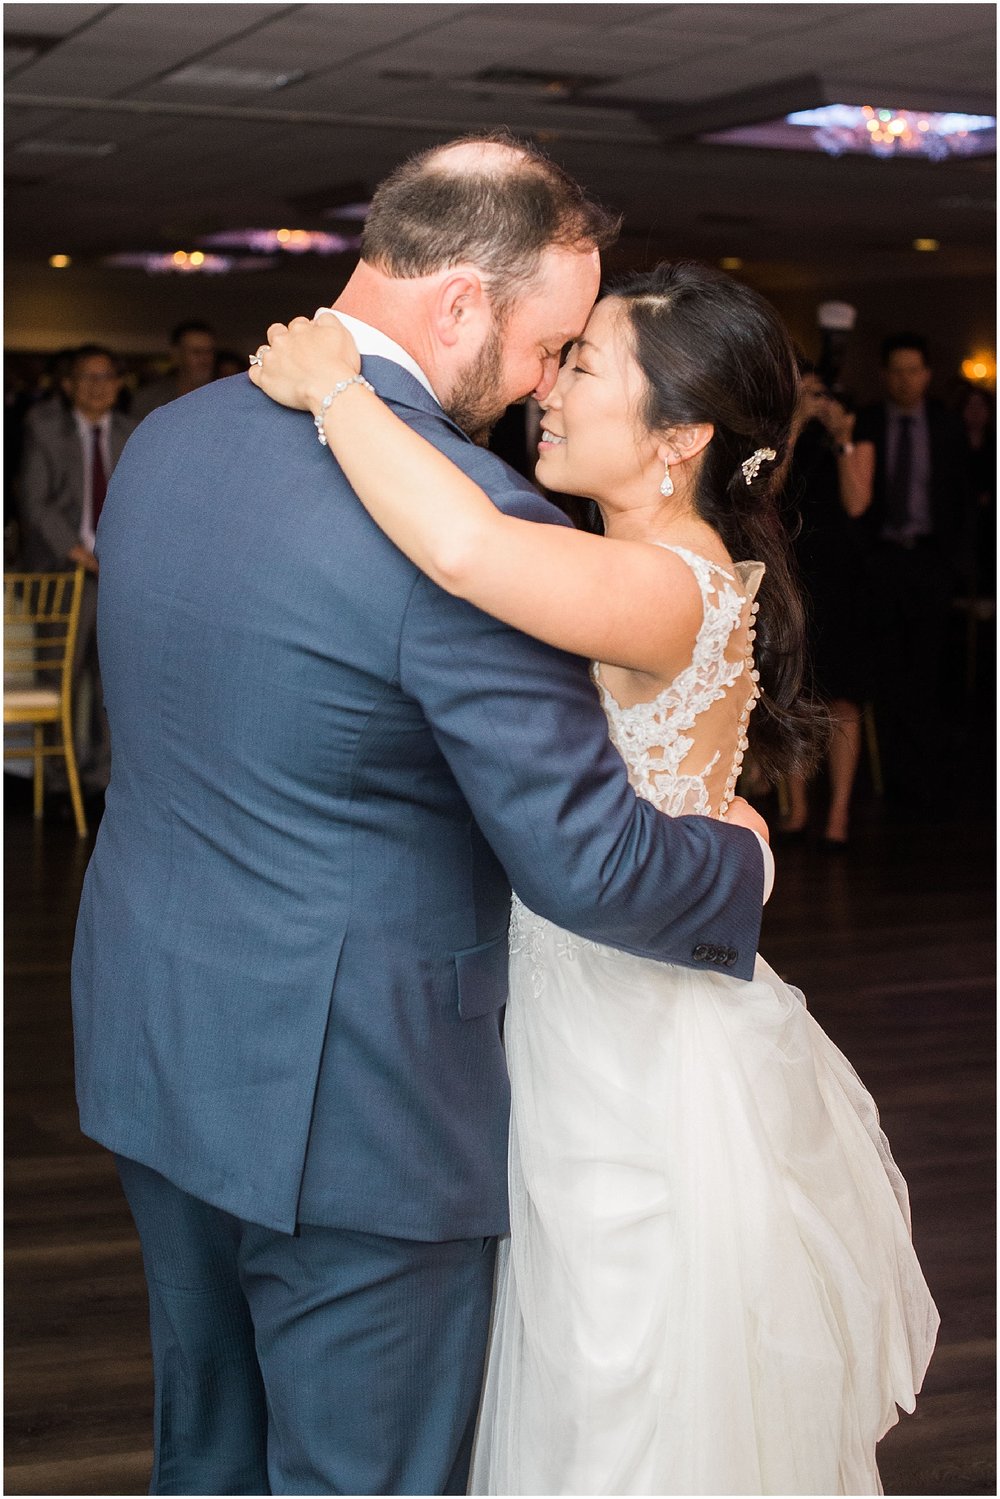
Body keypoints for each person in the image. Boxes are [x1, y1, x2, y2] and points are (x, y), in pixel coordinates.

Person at [71, 136, 774, 1498]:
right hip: (361, 1102)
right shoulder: (486, 528)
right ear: (459, 304)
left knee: (205, 1454)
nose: (538, 383)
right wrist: (740, 865)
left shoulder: (171, 437)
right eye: (545, 342)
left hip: (162, 1043)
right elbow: (588, 858)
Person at [250, 259, 939, 1496]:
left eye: (585, 364)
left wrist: (335, 389)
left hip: (614, 1032)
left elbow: (460, 548)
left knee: (608, 1370)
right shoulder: (663, 562)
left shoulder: (654, 579)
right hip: (607, 992)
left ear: (678, 434)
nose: (550, 387)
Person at [838, 332, 969, 807]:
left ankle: (927, 780)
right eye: (897, 370)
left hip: (931, 559)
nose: (905, 380)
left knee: (928, 668)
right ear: (884, 374)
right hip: (880, 560)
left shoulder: (947, 425)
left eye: (914, 370)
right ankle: (888, 779)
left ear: (928, 375)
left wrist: (955, 562)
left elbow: (961, 498)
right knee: (884, 668)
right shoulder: (868, 421)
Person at [17, 343, 135, 791]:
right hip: (62, 574)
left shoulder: (133, 430)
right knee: (58, 677)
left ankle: (105, 780)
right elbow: (35, 503)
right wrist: (83, 555)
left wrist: (119, 559)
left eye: (107, 377)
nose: (98, 386)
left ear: (119, 384)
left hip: (117, 577)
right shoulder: (43, 427)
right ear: (67, 385)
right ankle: (57, 780)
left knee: (115, 682)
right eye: (87, 377)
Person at [781, 366, 873, 847]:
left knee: (842, 696)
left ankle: (837, 816)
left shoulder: (853, 432)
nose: (814, 401)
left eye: (819, 392)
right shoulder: (776, 434)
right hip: (793, 571)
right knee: (794, 691)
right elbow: (767, 495)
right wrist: (794, 423)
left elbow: (858, 502)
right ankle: (797, 810)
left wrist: (842, 438)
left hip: (843, 577)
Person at [130, 319, 217, 419]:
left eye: (209, 351)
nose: (205, 360)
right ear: (176, 355)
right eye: (197, 352)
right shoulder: (149, 400)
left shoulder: (224, 398)